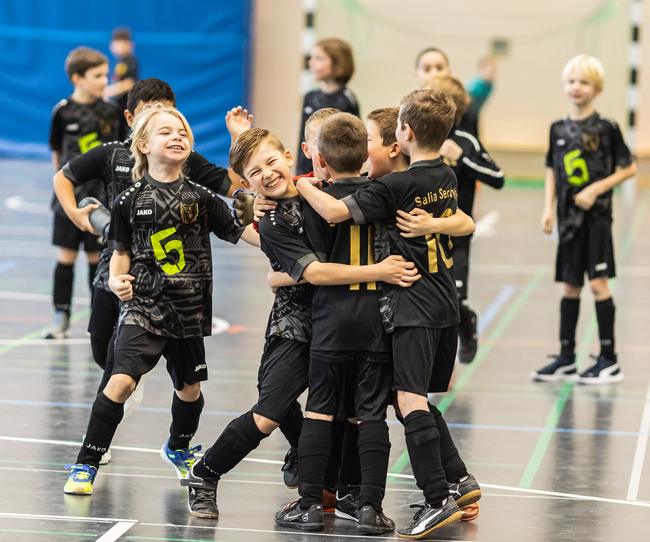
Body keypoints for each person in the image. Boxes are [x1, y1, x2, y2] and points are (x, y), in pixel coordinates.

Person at [181, 127, 420, 520]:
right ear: (247, 182)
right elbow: (312, 271)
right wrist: (379, 271)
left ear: (292, 157)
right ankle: (205, 474)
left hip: (347, 320)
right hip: (296, 325)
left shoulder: (322, 188)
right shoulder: (272, 219)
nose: (267, 174)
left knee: (352, 412)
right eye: (255, 172)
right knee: (269, 412)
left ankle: (347, 490)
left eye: (271, 162)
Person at [294, 89, 481, 538]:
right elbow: (464, 220)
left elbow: (338, 210)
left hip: (413, 305)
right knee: (413, 400)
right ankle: (458, 479)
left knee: (408, 401)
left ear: (402, 137)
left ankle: (437, 498)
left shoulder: (391, 188)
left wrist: (300, 180)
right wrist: (437, 223)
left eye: (373, 140)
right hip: (444, 303)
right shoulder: (444, 175)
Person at [62, 105, 259, 496]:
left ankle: (178, 446)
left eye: (183, 132)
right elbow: (119, 251)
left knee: (190, 390)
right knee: (120, 382)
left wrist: (283, 246)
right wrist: (119, 280)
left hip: (189, 310)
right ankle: (86, 462)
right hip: (144, 307)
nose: (177, 137)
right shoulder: (129, 200)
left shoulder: (202, 197)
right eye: (166, 131)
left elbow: (243, 232)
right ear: (144, 144)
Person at [274, 113, 396, 535]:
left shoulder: (314, 201)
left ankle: (310, 504)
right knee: (371, 416)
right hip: (375, 322)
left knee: (320, 411)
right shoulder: (383, 194)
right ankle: (369, 506)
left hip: (328, 321)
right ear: (366, 155)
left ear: (320, 159)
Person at [532, 55, 636, 384]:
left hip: (597, 220)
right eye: (572, 81)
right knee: (570, 285)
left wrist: (596, 189)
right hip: (568, 220)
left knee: (598, 283)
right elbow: (552, 169)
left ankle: (609, 358)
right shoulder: (557, 128)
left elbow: (629, 168)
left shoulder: (607, 128)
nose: (576, 87)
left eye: (584, 82)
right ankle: (566, 356)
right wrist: (548, 208)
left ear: (598, 88)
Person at [424, 75, 504, 363]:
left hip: (457, 235)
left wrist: (462, 159)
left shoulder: (466, 142)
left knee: (453, 301)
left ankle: (466, 320)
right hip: (424, 235)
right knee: (428, 302)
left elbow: (498, 178)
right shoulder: (421, 142)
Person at [47, 46, 122, 339]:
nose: (105, 80)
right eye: (98, 75)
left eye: (106, 74)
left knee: (97, 259)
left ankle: (98, 317)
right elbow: (56, 150)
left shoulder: (112, 111)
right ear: (78, 78)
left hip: (101, 201)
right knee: (66, 257)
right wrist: (64, 188)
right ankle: (60, 314)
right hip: (68, 201)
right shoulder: (63, 111)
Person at [296, 38, 360, 175]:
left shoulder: (347, 100)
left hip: (333, 172)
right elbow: (302, 136)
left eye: (319, 58)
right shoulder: (310, 96)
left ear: (337, 63)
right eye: (311, 58)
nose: (311, 63)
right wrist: (299, 171)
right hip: (307, 168)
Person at [414, 47, 496, 137]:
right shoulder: (409, 113)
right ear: (417, 74)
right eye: (427, 69)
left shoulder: (465, 107)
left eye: (439, 68)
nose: (434, 74)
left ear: (449, 71)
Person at [104, 27, 139, 131]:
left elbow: (129, 82)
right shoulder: (120, 62)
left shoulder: (130, 60)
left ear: (130, 45)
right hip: (118, 107)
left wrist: (107, 91)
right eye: (116, 43)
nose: (118, 46)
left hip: (126, 106)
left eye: (123, 43)